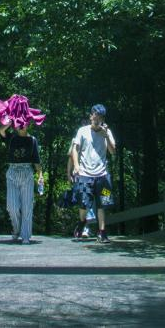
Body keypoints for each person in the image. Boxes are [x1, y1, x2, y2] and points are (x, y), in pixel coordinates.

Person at [0, 94, 46, 244]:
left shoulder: (32, 140)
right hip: (12, 173)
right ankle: (16, 229)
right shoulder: (11, 138)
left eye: (24, 124)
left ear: (28, 124)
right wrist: (11, 118)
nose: (22, 126)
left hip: (27, 173)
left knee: (28, 206)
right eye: (20, 124)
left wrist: (40, 175)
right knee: (12, 207)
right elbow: (1, 131)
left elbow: (36, 160)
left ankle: (26, 236)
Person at [67, 103, 116, 243]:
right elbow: (75, 149)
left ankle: (102, 232)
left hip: (103, 175)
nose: (97, 120)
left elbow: (113, 151)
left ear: (103, 119)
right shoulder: (82, 131)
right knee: (84, 203)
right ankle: (82, 222)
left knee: (103, 203)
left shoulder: (107, 132)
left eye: (100, 117)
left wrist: (106, 135)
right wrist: (76, 166)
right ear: (91, 116)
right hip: (85, 174)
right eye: (95, 116)